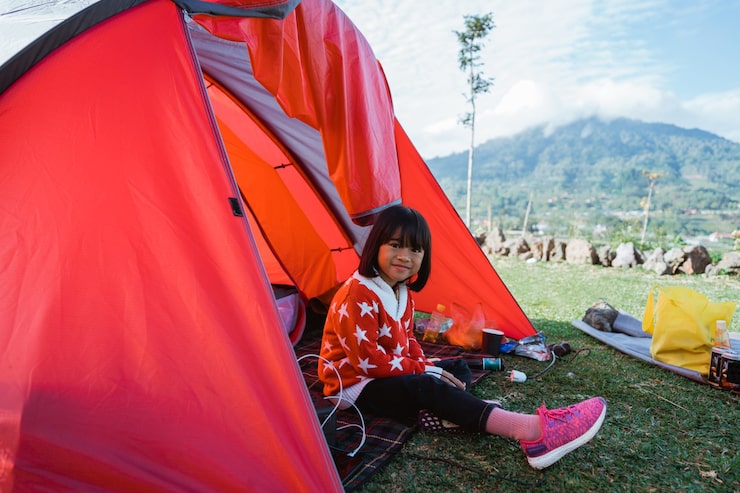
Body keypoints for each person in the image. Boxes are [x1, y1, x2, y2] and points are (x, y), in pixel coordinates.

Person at [318, 205, 606, 469]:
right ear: (375, 245)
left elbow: (408, 338)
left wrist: (423, 364)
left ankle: (451, 414)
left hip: (388, 372)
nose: (405, 256)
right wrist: (422, 370)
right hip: (354, 385)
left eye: (415, 249)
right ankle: (533, 432)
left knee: (456, 367)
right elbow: (368, 362)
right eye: (395, 245)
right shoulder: (357, 294)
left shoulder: (401, 291)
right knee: (426, 385)